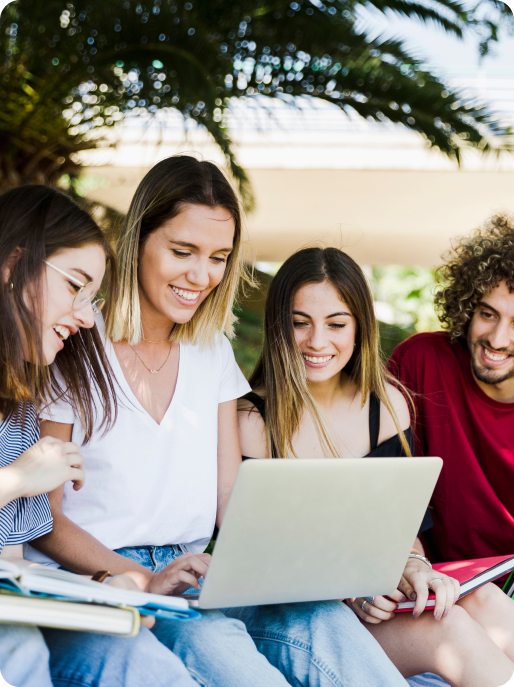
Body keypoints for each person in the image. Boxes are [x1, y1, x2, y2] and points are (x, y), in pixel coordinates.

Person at [29, 155, 411, 687]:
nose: (200, 275)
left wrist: (303, 571)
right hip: (104, 577)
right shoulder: (71, 342)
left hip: (199, 574)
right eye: (182, 251)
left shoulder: (211, 352)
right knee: (226, 654)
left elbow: (232, 498)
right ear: (139, 237)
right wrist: (139, 576)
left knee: (324, 620)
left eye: (218, 258)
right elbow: (42, 520)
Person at [237, 246, 514, 687]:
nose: (317, 342)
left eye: (336, 324)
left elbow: (405, 533)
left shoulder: (385, 408)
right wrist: (354, 589)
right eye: (300, 323)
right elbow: (255, 561)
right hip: (296, 614)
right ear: (278, 326)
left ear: (359, 327)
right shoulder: (252, 421)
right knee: (451, 631)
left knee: (487, 603)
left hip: (371, 605)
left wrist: (414, 568)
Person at [0, 185, 196, 687]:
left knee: (138, 660)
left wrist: (110, 586)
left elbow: (12, 572)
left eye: (93, 298)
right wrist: (18, 478)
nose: (87, 318)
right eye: (75, 287)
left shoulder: (21, 409)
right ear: (13, 265)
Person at [387, 215, 514, 658]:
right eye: (487, 314)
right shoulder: (422, 362)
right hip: (421, 590)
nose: (498, 338)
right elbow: (381, 482)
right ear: (467, 306)